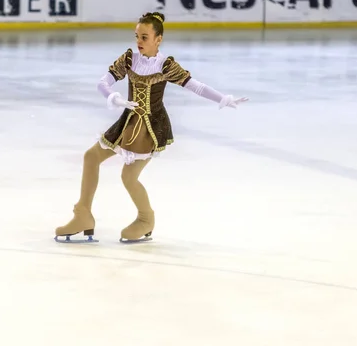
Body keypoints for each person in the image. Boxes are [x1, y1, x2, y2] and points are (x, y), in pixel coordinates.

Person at [54, 12, 248, 243]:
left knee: (128, 176)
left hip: (150, 128)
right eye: (137, 36)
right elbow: (103, 82)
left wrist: (223, 99)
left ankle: (146, 219)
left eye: (145, 37)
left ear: (158, 39)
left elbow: (195, 86)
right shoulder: (129, 59)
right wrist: (113, 97)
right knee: (91, 157)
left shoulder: (165, 65)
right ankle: (83, 215)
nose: (139, 41)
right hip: (127, 122)